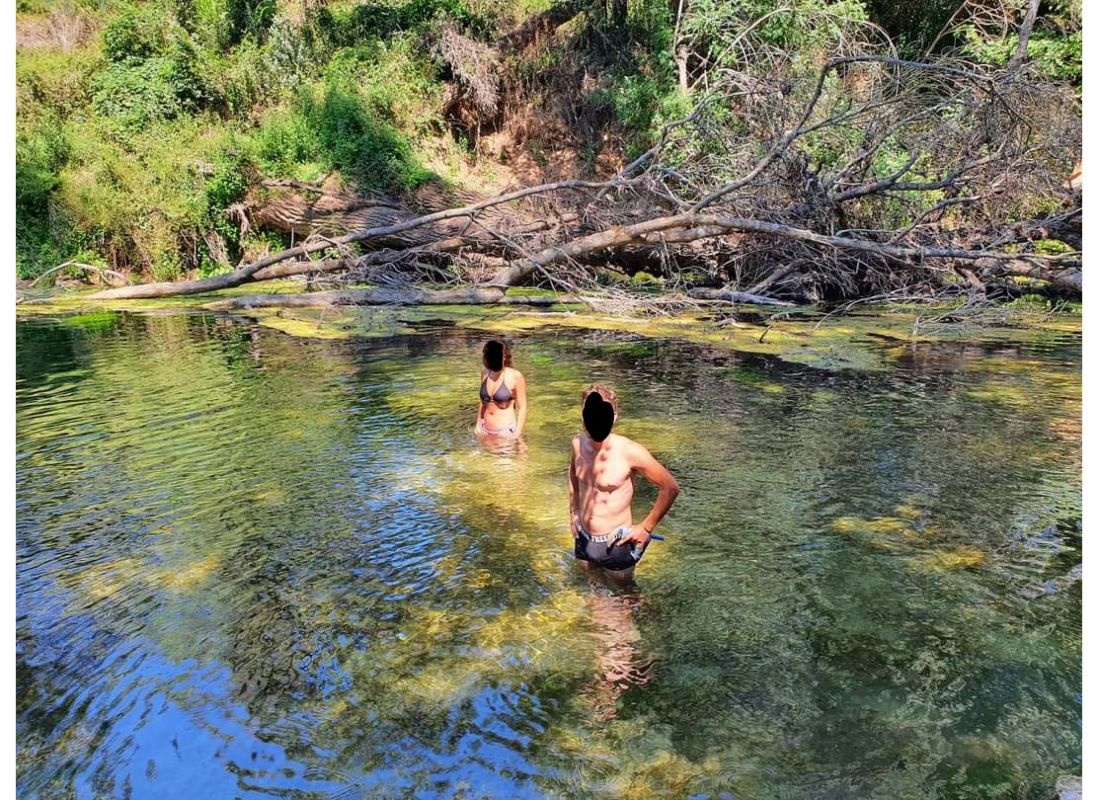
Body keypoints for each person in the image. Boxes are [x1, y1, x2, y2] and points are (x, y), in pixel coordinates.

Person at [568, 384, 679, 581]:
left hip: (615, 543)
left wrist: (645, 528)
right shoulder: (577, 444)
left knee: (624, 599)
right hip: (584, 538)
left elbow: (670, 487)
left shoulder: (629, 451)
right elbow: (573, 479)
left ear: (614, 416)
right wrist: (574, 513)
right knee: (593, 591)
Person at [475, 340, 527, 438]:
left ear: (504, 356)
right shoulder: (485, 373)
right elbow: (483, 402)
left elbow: (522, 407)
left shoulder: (515, 376)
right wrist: (478, 424)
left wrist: (517, 433)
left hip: (506, 432)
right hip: (484, 431)